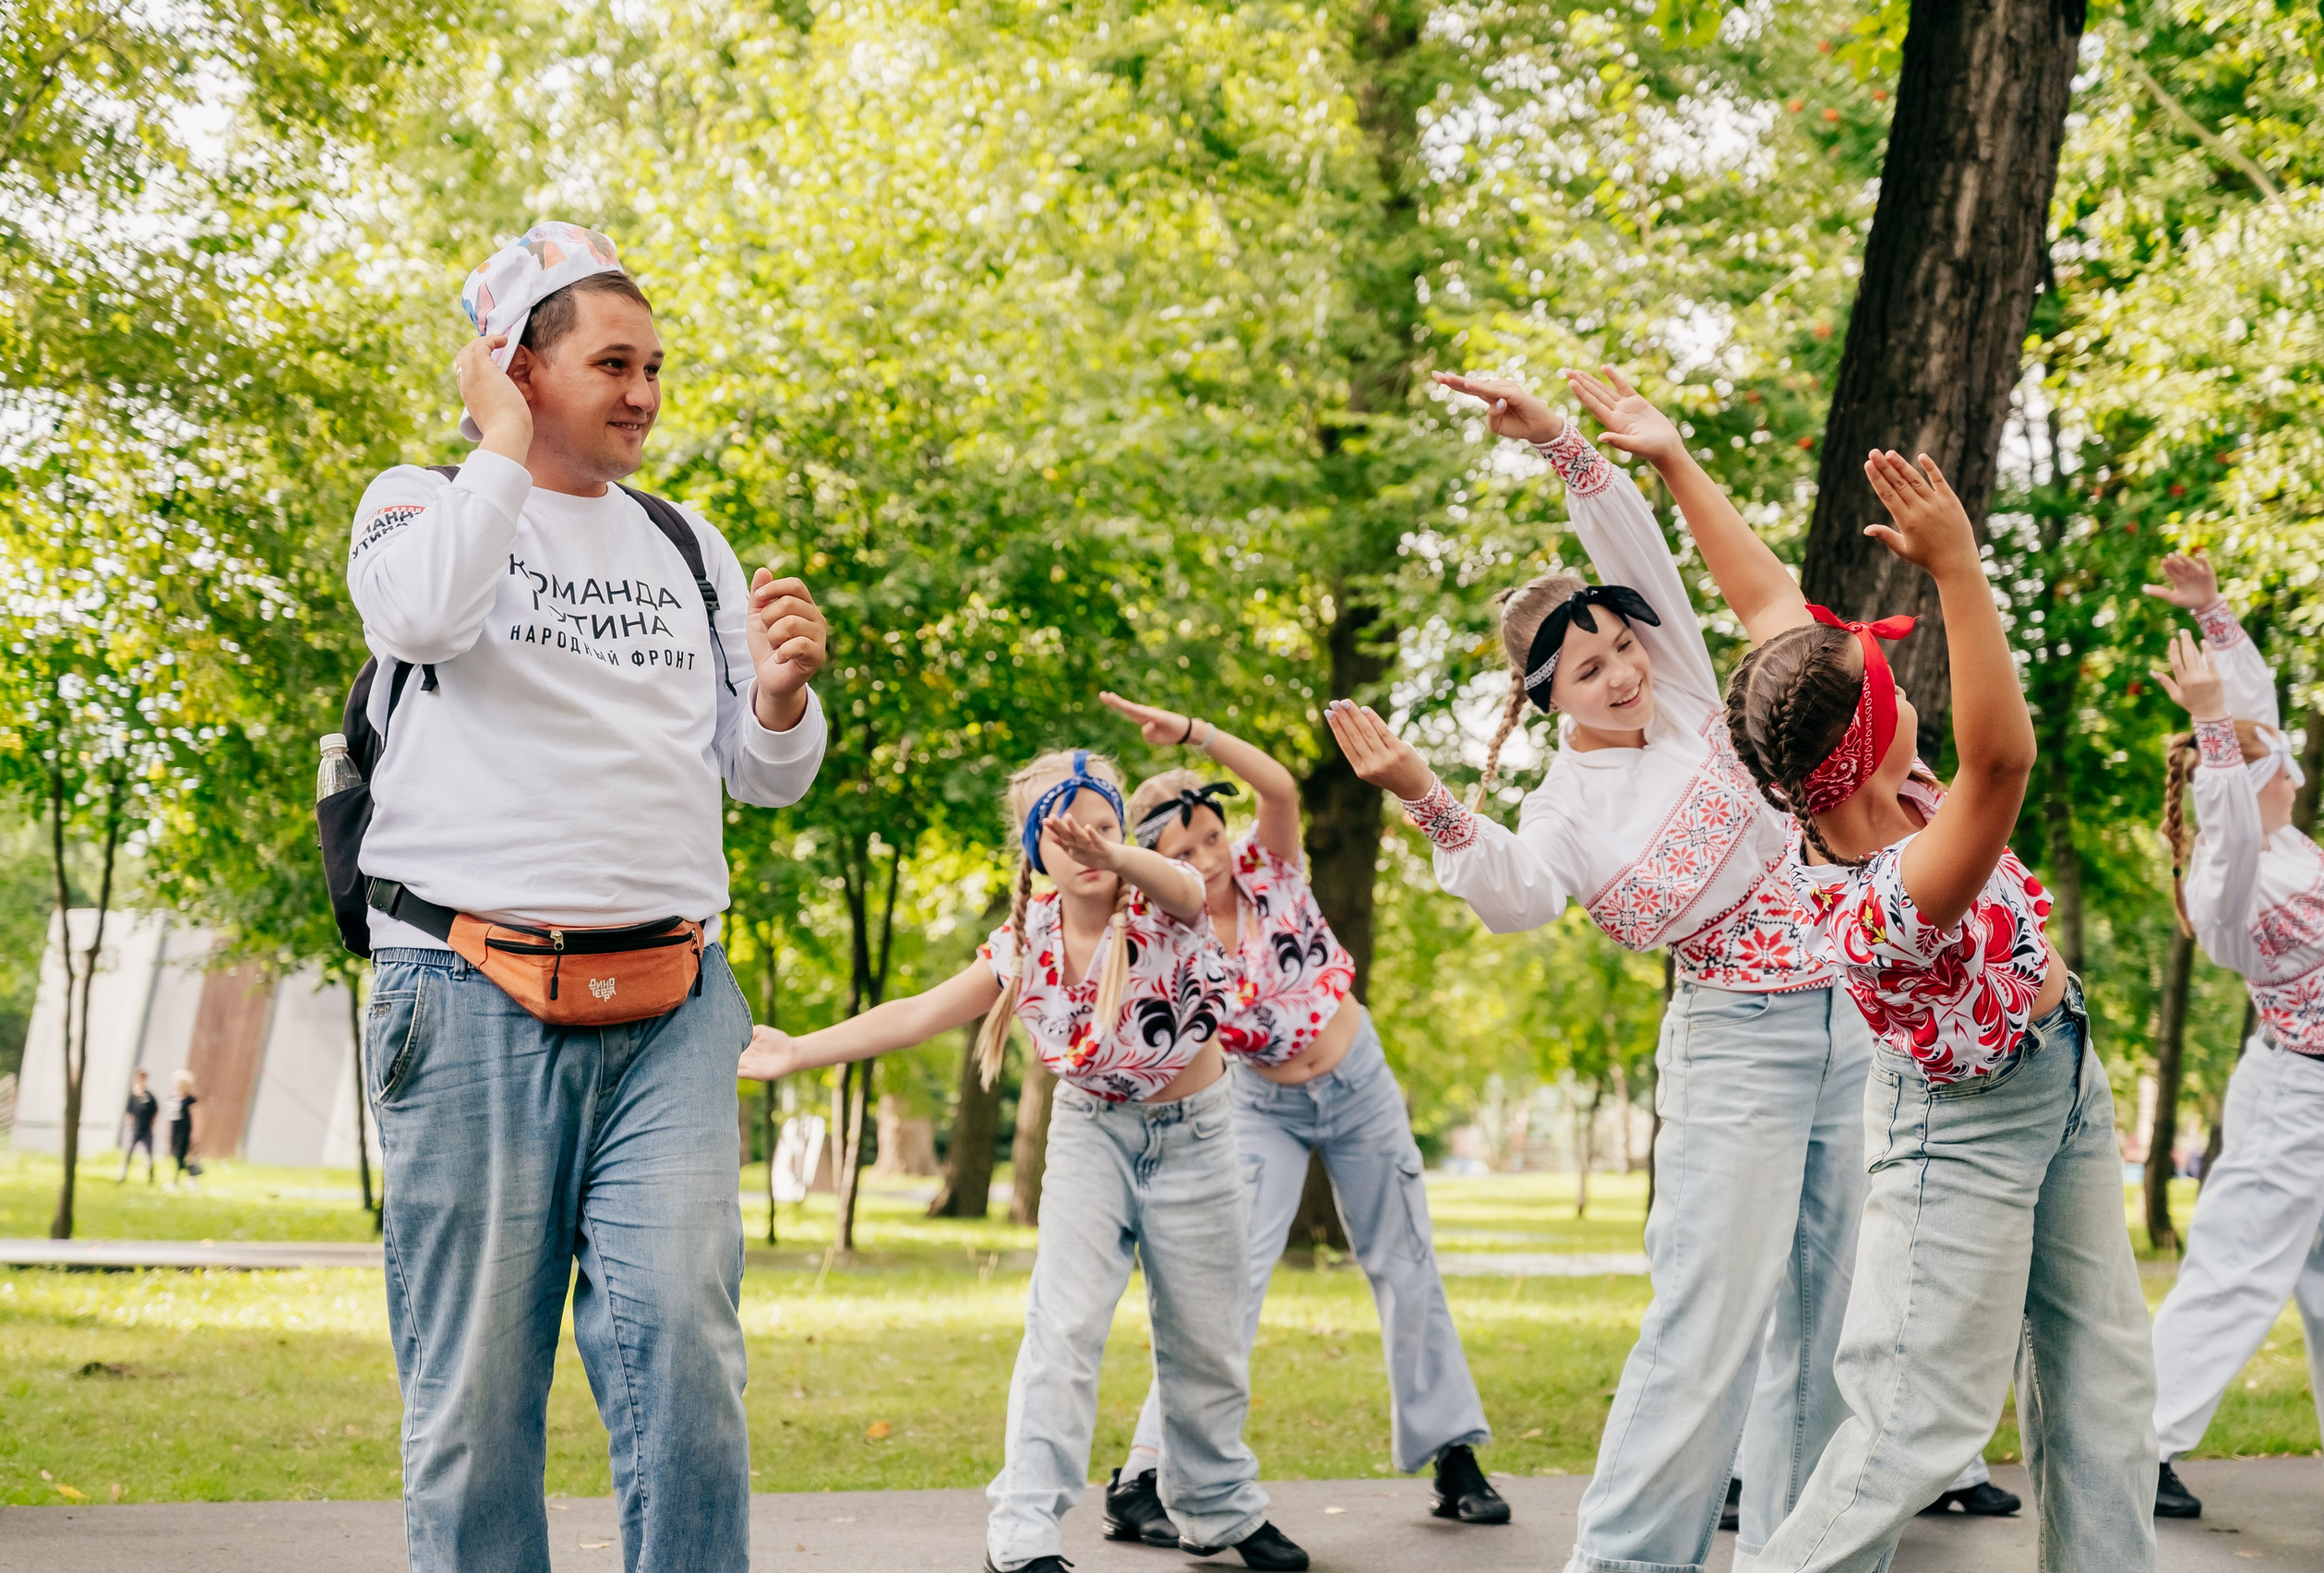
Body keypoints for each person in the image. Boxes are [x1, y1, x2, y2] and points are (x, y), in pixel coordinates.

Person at [1325, 368, 1874, 1573]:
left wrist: (1565, 446)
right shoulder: (1565, 809)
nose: (1621, 672)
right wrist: (1423, 797)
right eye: (1588, 669)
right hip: (1736, 1043)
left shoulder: (1686, 697)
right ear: (1543, 697)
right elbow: (1517, 898)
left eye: (1623, 645)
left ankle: (1803, 1556)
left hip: (1857, 1010)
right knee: (1707, 1323)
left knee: (1833, 1327)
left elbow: (1635, 546)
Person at [350, 221, 830, 1573]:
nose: (643, 394)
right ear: (514, 366)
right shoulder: (414, 503)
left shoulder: (688, 544)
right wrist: (495, 441)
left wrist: (785, 700)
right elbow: (426, 621)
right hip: (465, 993)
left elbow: (763, 775)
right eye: (612, 362)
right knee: (476, 1400)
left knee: (686, 1353)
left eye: (657, 367)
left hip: (675, 1000)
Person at [1719, 447, 2157, 1570]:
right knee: (1914, 1427)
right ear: (1863, 754)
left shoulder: (1849, 785)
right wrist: (1959, 569)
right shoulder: (1891, 898)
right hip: (1959, 1137)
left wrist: (1671, 461)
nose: (1911, 695)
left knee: (2103, 1383)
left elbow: (1766, 601)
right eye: (1890, 694)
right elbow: (2003, 761)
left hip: (2061, 1077)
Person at [739, 750, 1310, 1573]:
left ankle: (1217, 1509)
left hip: (1198, 1137)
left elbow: (1188, 888)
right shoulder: (1025, 940)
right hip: (1092, 1137)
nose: (1087, 844)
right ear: (1033, 851)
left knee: (1208, 1341)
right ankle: (1023, 1531)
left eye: (1104, 827)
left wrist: (1122, 858)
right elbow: (918, 1013)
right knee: (1064, 1327)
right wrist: (798, 1052)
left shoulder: (1161, 900)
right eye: (1065, 833)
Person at [1096, 694, 1508, 1541]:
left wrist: (1195, 731)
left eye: (1210, 835)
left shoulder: (1268, 865)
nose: (1208, 856)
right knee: (1224, 1284)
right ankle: (1143, 1474)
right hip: (1260, 1106)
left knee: (1405, 1258)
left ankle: (1453, 1453)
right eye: (1182, 850)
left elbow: (1279, 787)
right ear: (1152, 861)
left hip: (1357, 1080)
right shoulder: (1163, 935)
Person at [2144, 549, 2324, 1518]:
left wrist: (2214, 613)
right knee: (2235, 1272)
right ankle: (2132, 1445)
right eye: (2274, 761)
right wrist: (2208, 727)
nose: (2290, 766)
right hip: (2296, 1097)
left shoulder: (2292, 842)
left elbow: (2253, 711)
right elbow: (2226, 804)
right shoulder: (2230, 877)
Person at [120, 1069, 159, 1184]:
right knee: (128, 1153)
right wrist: (129, 1127)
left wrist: (151, 1125)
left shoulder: (150, 1097)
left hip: (146, 1129)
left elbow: (156, 1113)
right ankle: (123, 1175)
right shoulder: (133, 1096)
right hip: (134, 1130)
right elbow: (129, 1113)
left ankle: (151, 1177)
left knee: (149, 1154)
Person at [164, 1070, 198, 1191]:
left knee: (182, 1156)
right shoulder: (172, 1098)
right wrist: (168, 1132)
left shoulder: (190, 1100)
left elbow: (196, 1117)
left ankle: (179, 1181)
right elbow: (170, 1117)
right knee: (176, 1156)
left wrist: (195, 1133)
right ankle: (192, 1175)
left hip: (185, 1131)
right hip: (175, 1130)